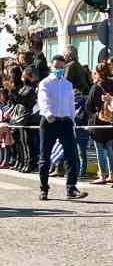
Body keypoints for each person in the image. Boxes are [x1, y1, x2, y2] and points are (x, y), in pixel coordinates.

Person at [38, 55, 88, 200]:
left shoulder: (68, 84)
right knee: (45, 156)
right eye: (56, 67)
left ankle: (71, 188)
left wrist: (72, 120)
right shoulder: (45, 83)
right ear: (51, 67)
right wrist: (48, 113)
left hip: (65, 121)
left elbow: (70, 104)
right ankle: (44, 189)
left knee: (71, 155)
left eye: (61, 67)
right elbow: (43, 99)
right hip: (50, 121)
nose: (59, 70)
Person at [86, 62, 113, 184]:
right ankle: (112, 174)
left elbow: (89, 106)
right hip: (110, 122)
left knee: (100, 150)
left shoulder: (96, 87)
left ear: (97, 73)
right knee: (111, 149)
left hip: (98, 123)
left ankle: (103, 175)